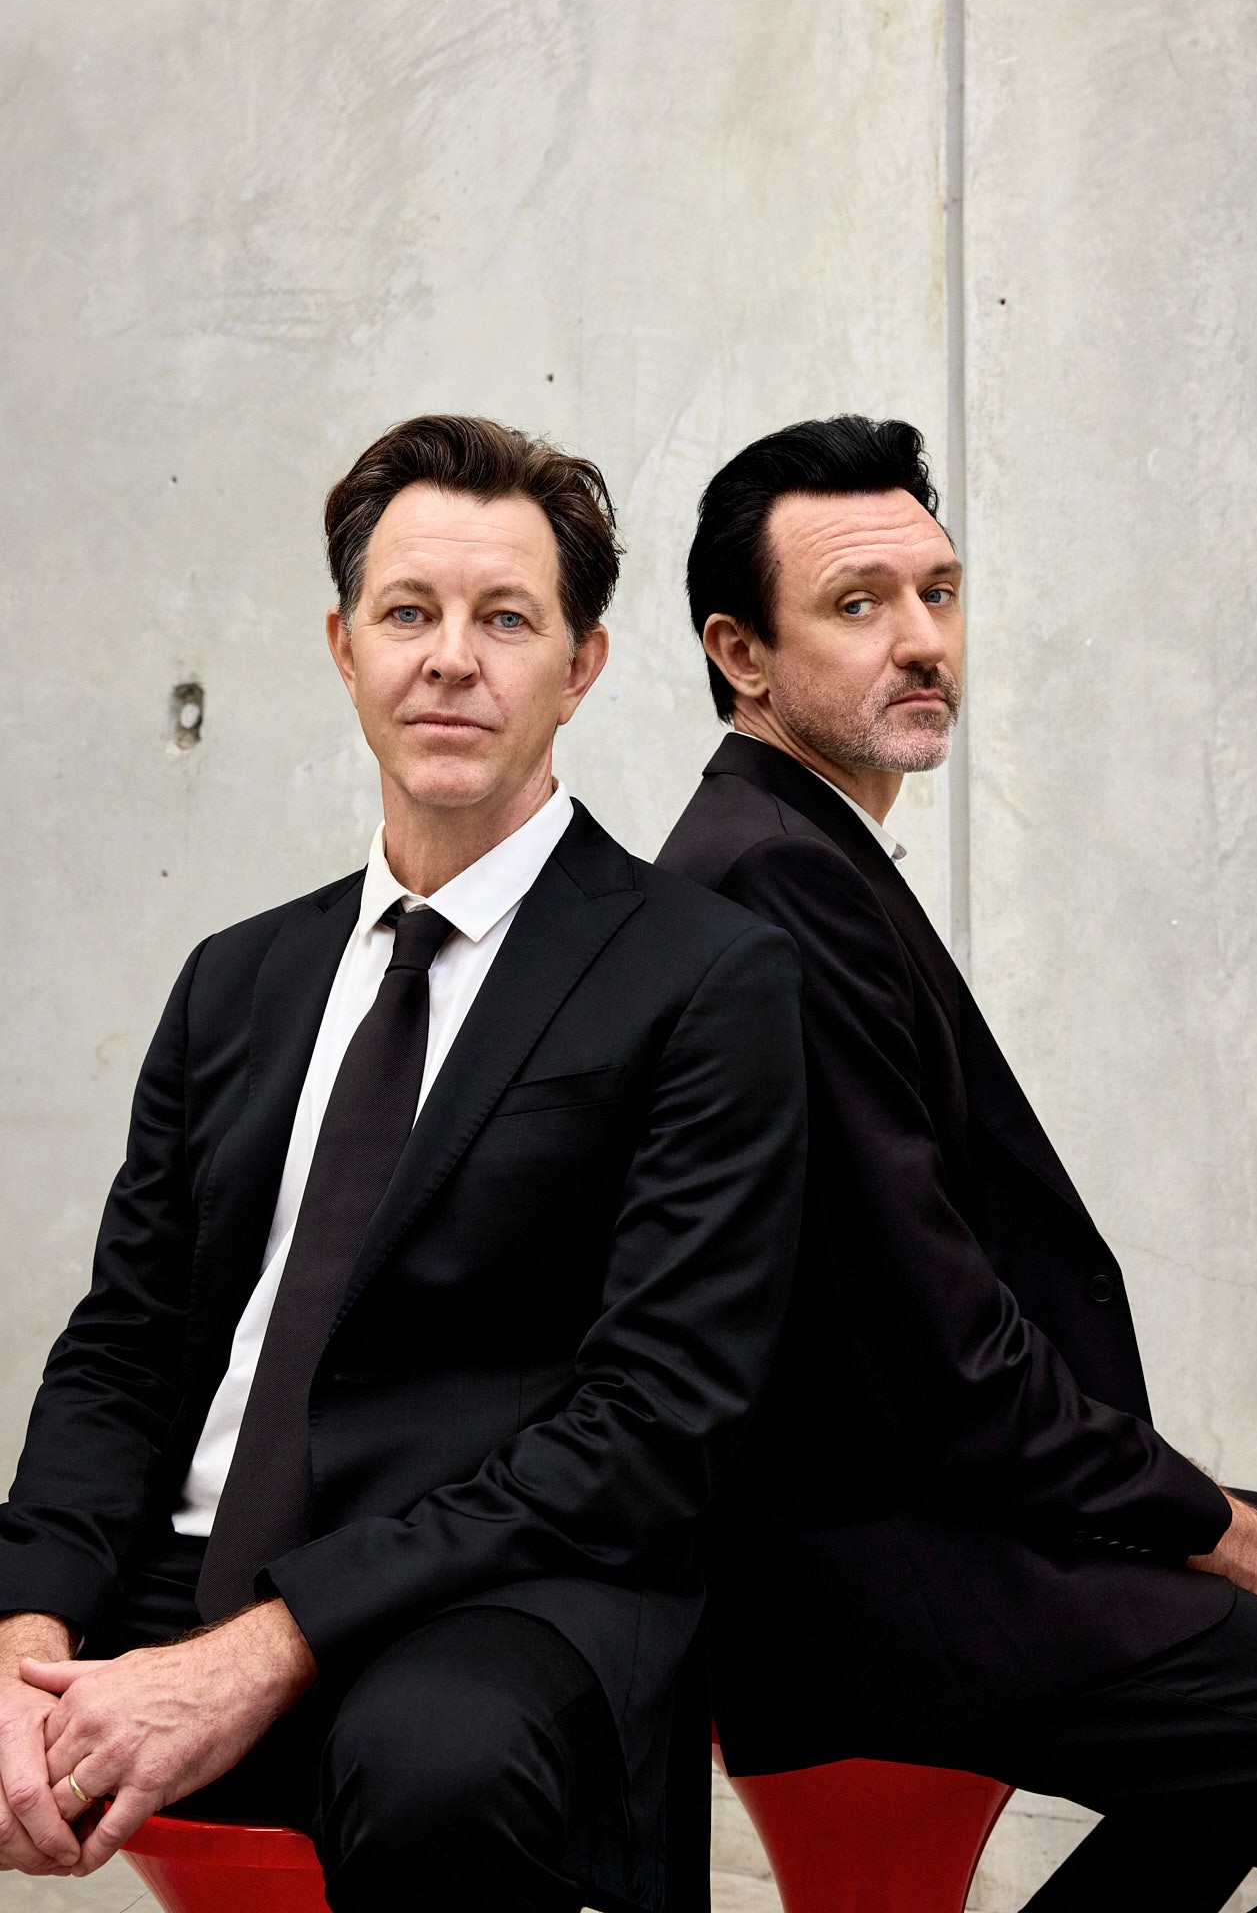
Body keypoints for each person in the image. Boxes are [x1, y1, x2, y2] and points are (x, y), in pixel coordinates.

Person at [0, 413, 805, 1913]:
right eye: (408, 613)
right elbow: (122, 1348)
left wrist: (269, 1644)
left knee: (436, 1769)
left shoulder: (706, 976)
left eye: (505, 619)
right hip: (194, 1559)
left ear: (581, 667)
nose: (450, 659)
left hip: (495, 1583)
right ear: (343, 646)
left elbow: (651, 1420)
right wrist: (25, 1627)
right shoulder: (236, 980)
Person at [658, 413, 1257, 1913]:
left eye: (939, 591)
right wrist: (1209, 1526)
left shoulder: (789, 844)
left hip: (950, 1525)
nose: (921, 640)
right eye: (858, 605)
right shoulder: (774, 882)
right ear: (742, 654)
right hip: (895, 1582)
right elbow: (940, 1352)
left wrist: (1191, 1519)